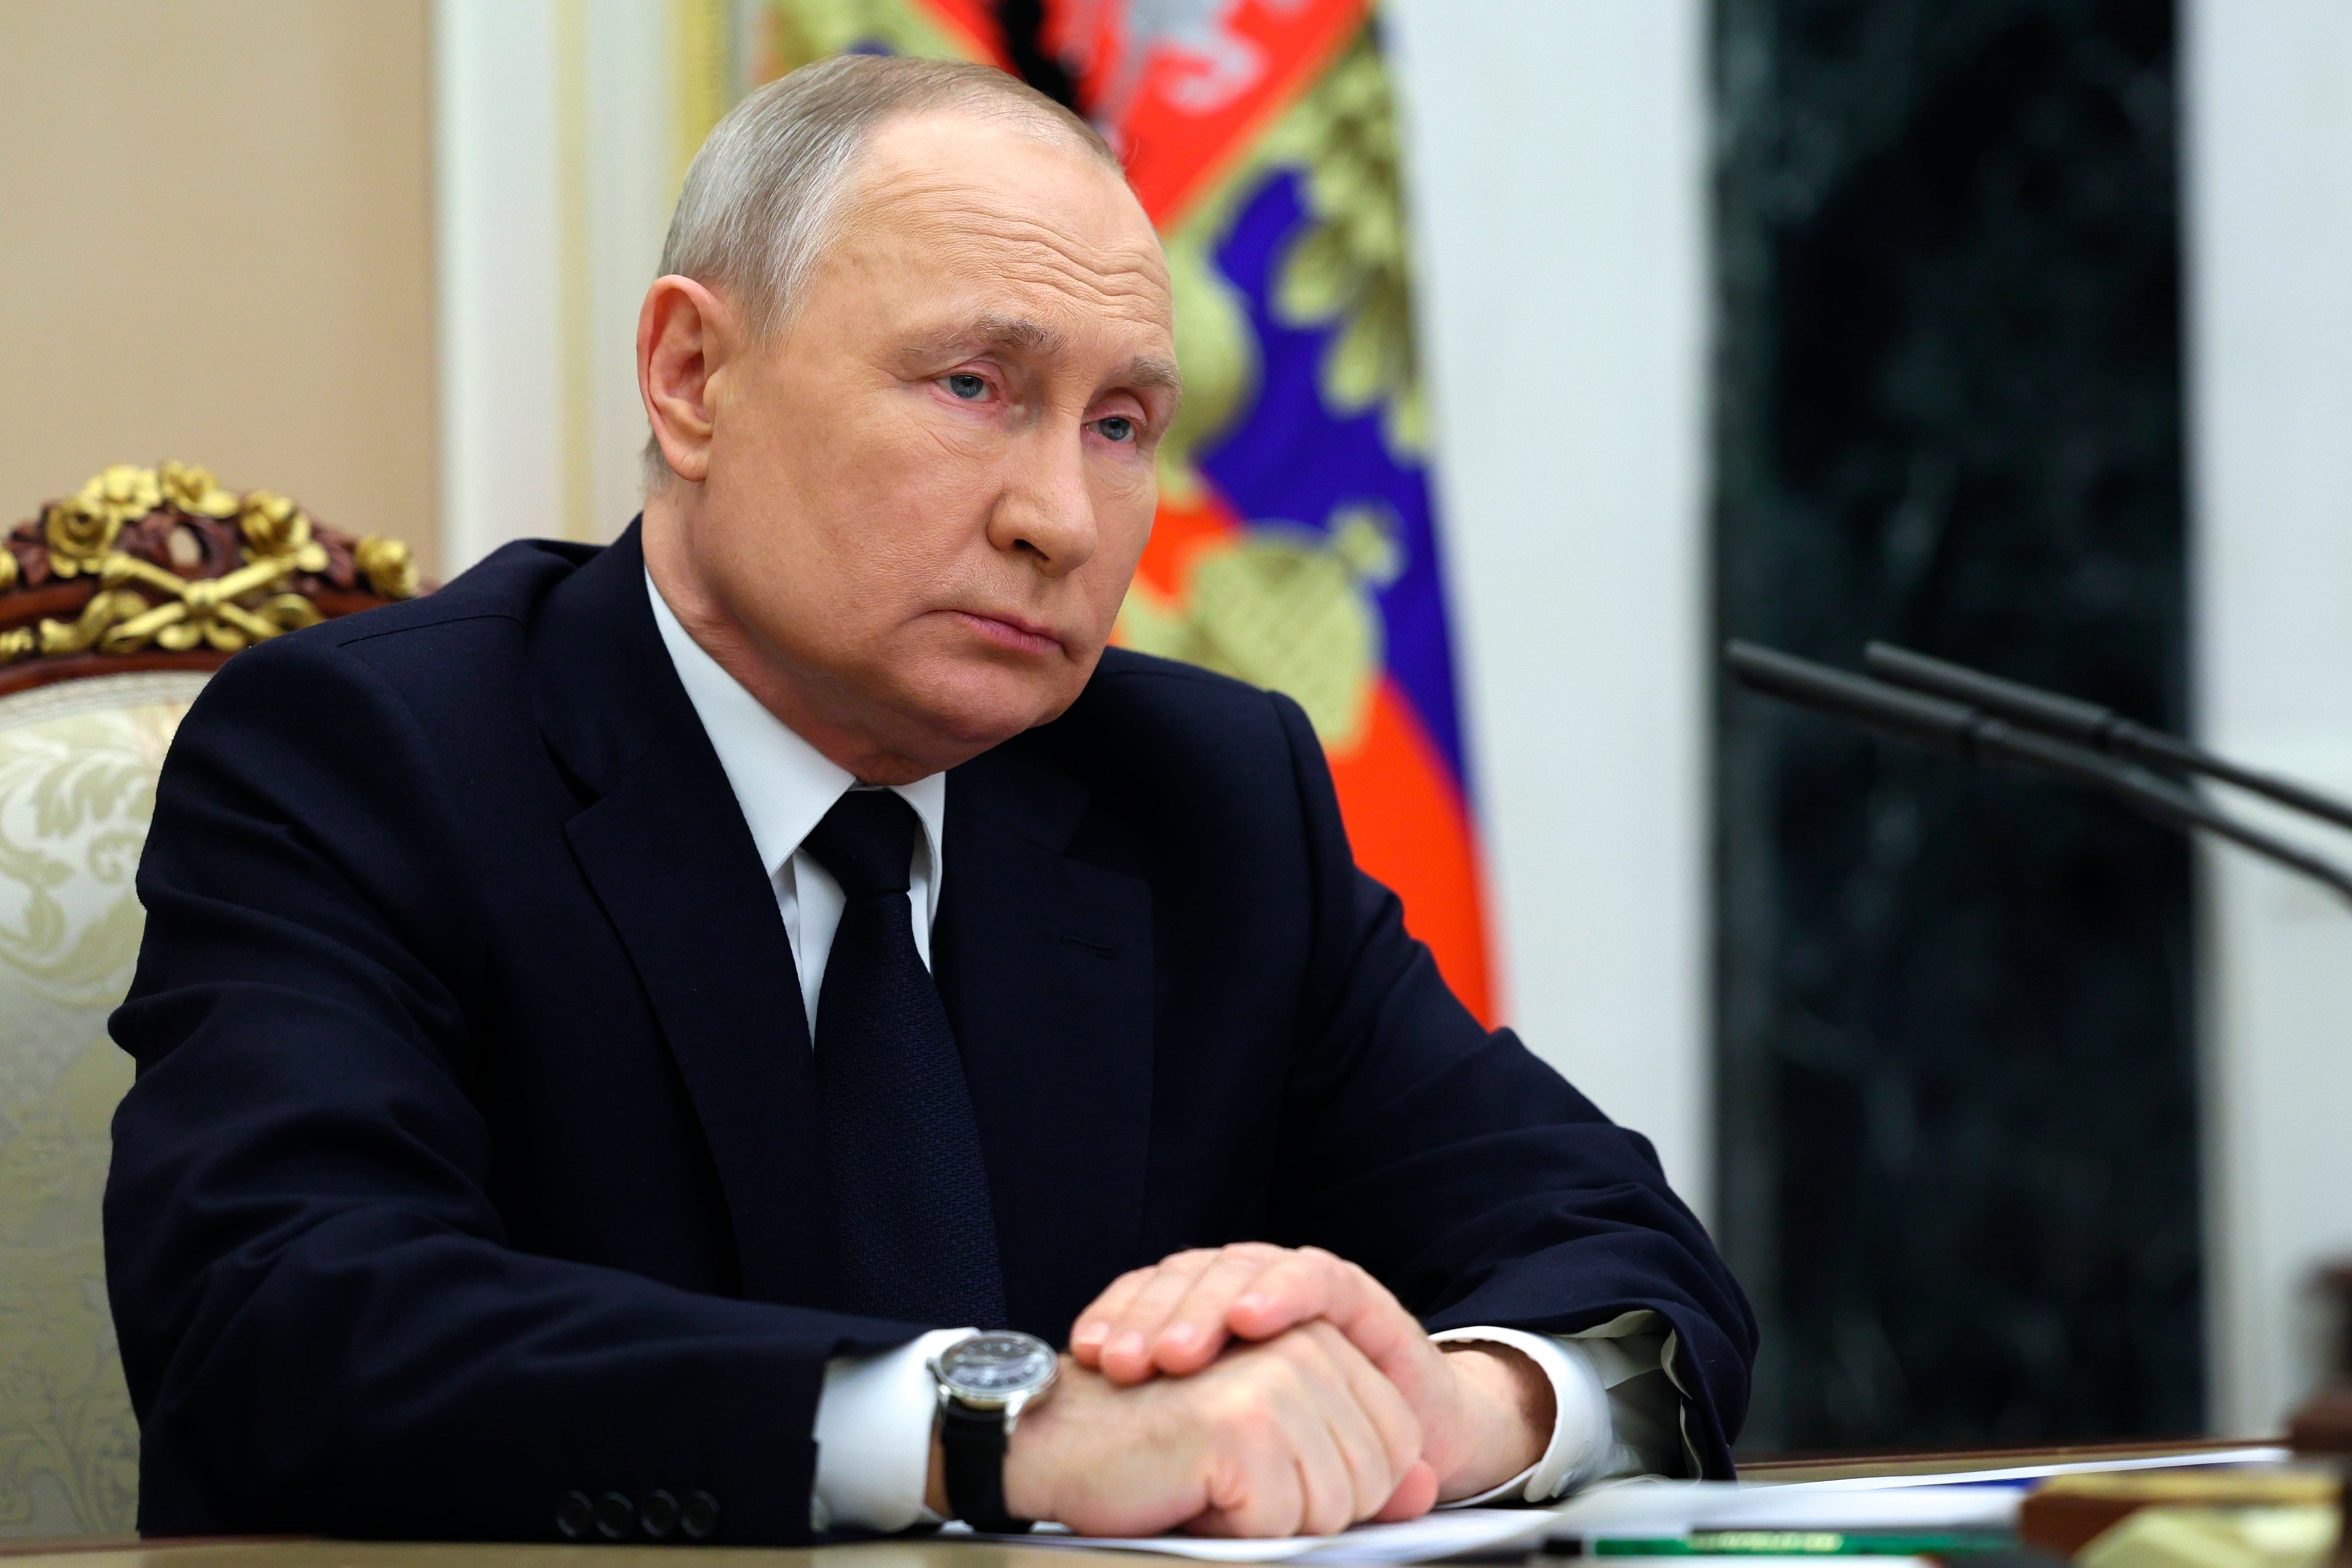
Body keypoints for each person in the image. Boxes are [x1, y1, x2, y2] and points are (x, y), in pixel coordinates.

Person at [104, 55, 1753, 1546]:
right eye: (974, 386)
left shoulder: (1206, 797)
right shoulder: (373, 756)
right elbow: (281, 1330)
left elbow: (1622, 1246)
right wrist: (1001, 1426)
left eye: (1122, 425)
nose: (1060, 516)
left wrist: (1444, 1404)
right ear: (690, 376)